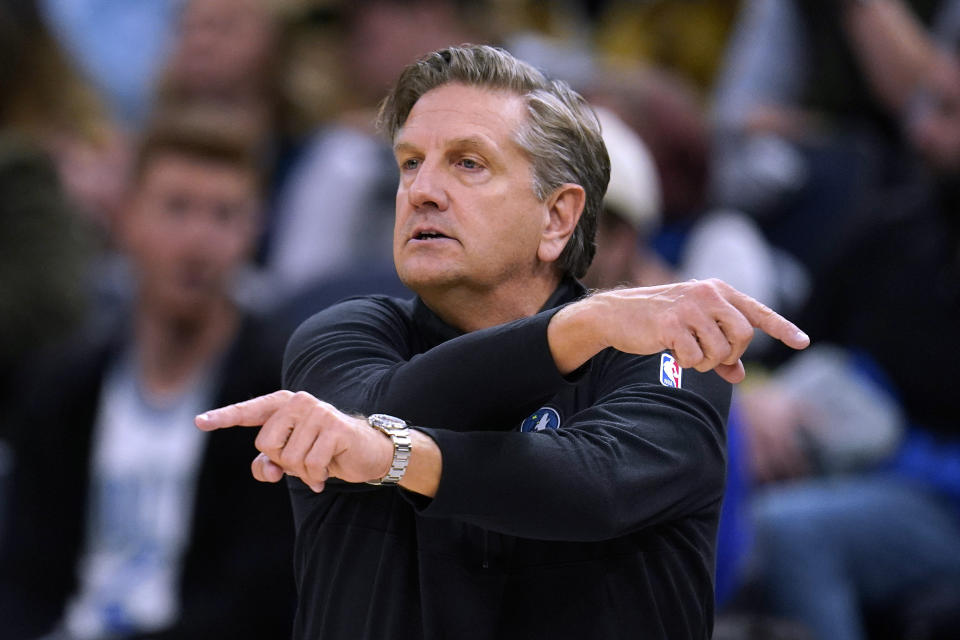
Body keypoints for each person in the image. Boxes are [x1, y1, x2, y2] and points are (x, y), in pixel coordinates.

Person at [196, 44, 809, 640]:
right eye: (410, 162)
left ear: (557, 219)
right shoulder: (343, 333)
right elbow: (388, 402)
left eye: (468, 163)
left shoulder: (663, 350)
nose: (422, 191)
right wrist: (578, 327)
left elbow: (598, 487)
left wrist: (393, 456)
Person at [0, 107, 295, 639]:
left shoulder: (277, 396)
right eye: (176, 209)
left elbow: (260, 600)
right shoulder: (63, 387)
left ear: (255, 229)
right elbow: (24, 574)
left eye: (225, 215)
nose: (199, 241)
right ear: (127, 218)